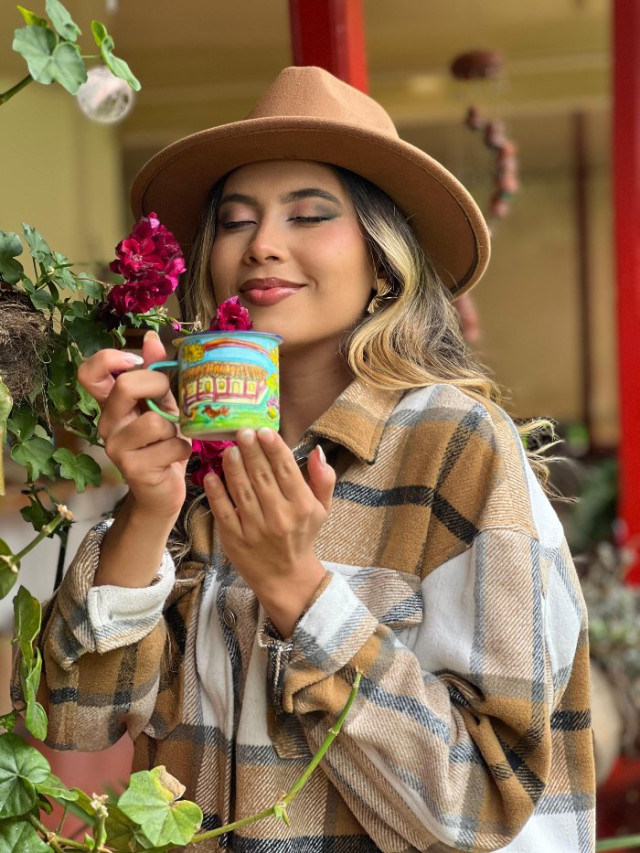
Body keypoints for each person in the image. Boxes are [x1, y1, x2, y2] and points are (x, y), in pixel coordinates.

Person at [28, 66, 595, 851]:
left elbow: (481, 806)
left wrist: (298, 588)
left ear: (382, 260)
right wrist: (148, 508)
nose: (262, 244)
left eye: (308, 214)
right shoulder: (192, 455)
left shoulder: (456, 444)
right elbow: (74, 720)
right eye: (236, 221)